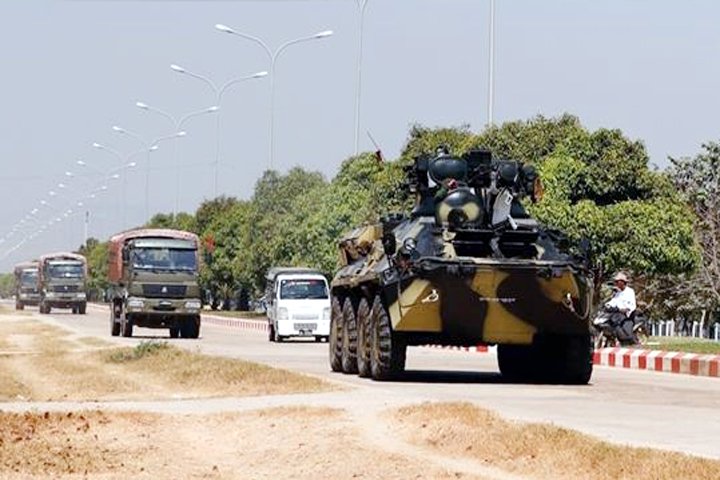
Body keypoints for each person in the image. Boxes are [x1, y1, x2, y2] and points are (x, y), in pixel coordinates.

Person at [604, 272, 637, 344]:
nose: (616, 283)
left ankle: (630, 341)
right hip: (617, 313)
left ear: (622, 282)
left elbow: (632, 305)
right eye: (615, 281)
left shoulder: (630, 291)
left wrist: (626, 309)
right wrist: (607, 305)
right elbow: (613, 301)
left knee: (625, 333)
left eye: (617, 281)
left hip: (627, 316)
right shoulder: (618, 293)